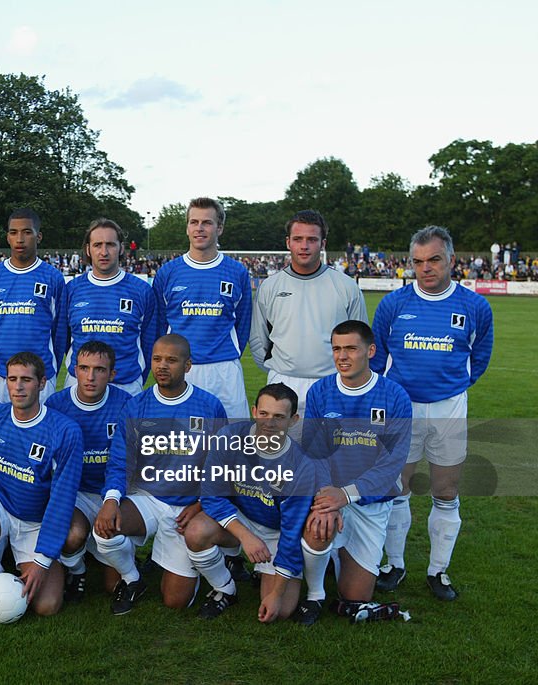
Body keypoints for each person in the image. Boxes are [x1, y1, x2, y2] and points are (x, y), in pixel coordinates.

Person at [371, 226, 494, 601]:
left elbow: (479, 359)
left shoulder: (475, 307)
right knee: (396, 489)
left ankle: (437, 571)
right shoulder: (393, 305)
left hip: (449, 409)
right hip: (401, 410)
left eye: (434, 260)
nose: (426, 269)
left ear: (451, 261)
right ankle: (394, 565)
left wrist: (447, 389)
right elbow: (377, 358)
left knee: (446, 490)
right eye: (418, 262)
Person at [93, 334, 228, 615]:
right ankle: (133, 579)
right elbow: (120, 461)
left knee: (175, 601)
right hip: (149, 499)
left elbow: (222, 465)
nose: (162, 366)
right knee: (104, 529)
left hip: (187, 508)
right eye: (157, 359)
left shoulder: (209, 406)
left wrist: (202, 504)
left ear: (188, 365)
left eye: (171, 360)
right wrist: (111, 500)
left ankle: (215, 573)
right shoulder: (137, 406)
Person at [0, 351, 83, 616]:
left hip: (36, 521)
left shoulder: (65, 431)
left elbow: (63, 498)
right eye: (12, 379)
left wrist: (42, 562)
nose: (18, 386)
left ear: (42, 383)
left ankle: (49, 563)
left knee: (47, 606)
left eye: (26, 379)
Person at [298, 320, 412, 624]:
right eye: (336, 348)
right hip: (329, 494)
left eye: (351, 348)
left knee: (356, 596)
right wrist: (326, 496)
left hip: (368, 503)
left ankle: (332, 559)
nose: (342, 356)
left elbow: (392, 462)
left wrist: (346, 496)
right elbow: (315, 451)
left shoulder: (394, 396)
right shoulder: (321, 391)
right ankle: (315, 593)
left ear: (370, 351)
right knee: (317, 529)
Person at [185, 383, 318, 622]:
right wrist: (246, 537)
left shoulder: (301, 466)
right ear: (254, 412)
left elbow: (291, 531)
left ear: (293, 420)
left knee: (283, 610)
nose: (269, 423)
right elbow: (211, 496)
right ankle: (224, 588)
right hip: (241, 517)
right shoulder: (228, 438)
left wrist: (277, 594)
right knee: (196, 531)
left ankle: (282, 575)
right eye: (264, 414)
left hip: (276, 530)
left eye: (279, 417)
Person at [249, 210, 367, 417]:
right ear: (288, 242)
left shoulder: (347, 287)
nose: (304, 246)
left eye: (312, 239)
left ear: (323, 244)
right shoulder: (270, 287)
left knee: (329, 448)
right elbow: (258, 341)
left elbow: (359, 342)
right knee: (281, 448)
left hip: (332, 382)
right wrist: (279, 369)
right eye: (298, 239)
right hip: (282, 383)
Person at [45, 341, 133, 602]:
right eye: (84, 368)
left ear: (112, 374)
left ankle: (122, 558)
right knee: (72, 535)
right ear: (74, 370)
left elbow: (128, 462)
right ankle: (77, 569)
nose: (91, 377)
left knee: (112, 585)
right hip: (76, 494)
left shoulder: (126, 404)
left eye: (99, 370)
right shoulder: (57, 403)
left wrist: (111, 499)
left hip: (114, 492)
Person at [152, 198, 252, 417]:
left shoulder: (237, 272)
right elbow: (159, 325)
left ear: (220, 228)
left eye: (207, 222)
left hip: (224, 370)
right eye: (194, 222)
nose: (199, 228)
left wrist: (226, 351)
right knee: (181, 444)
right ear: (187, 228)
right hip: (182, 369)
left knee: (232, 440)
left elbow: (243, 324)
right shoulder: (168, 273)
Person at [0, 208, 67, 403]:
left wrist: (48, 369)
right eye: (14, 232)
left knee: (39, 432)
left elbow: (59, 332)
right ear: (7, 237)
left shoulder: (53, 278)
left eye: (27, 232)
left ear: (39, 236)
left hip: (39, 376)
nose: (20, 239)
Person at [63, 219, 156, 396]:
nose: (104, 252)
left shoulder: (141, 290)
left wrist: (137, 378)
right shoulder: (71, 290)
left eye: (110, 245)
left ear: (121, 248)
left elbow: (149, 341)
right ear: (88, 249)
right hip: (78, 386)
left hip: (126, 386)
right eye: (97, 245)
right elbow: (63, 338)